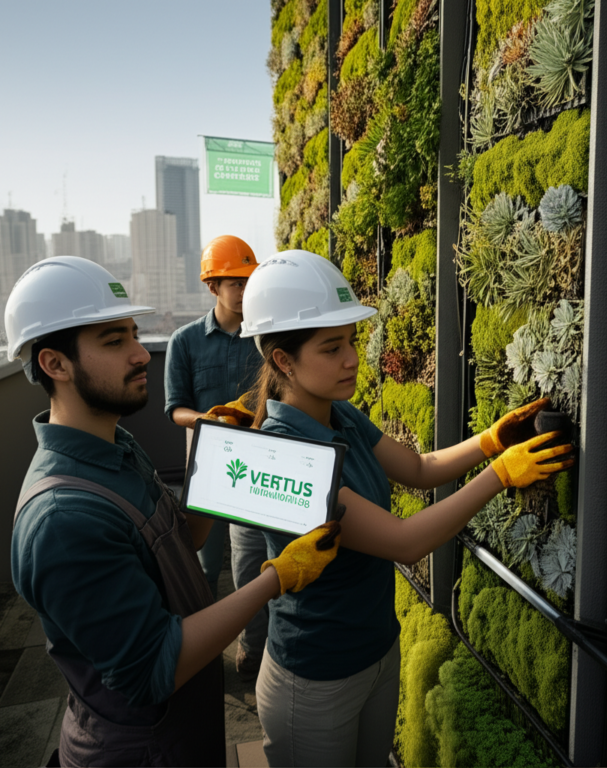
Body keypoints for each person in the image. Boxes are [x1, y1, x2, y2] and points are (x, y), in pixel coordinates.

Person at [225, 250, 575, 767]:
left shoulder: (339, 415)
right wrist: (501, 475)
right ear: (283, 361)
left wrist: (491, 441)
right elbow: (404, 540)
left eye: (351, 341)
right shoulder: (287, 455)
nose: (352, 359)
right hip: (315, 676)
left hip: (377, 652)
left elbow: (418, 468)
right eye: (331, 347)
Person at [5, 256, 341, 768]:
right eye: (114, 341)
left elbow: (184, 540)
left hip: (184, 730)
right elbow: (154, 667)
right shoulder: (63, 519)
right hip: (139, 751)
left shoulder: (116, 445)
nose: (142, 354)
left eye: (134, 335)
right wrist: (277, 576)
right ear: (54, 364)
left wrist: (214, 454)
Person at [164, 234, 268, 679]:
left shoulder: (262, 338)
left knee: (248, 565)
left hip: (250, 469)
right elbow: (175, 409)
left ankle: (251, 649)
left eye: (249, 281)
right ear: (213, 287)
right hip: (206, 467)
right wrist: (208, 420)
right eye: (236, 283)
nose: (244, 291)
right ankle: (200, 654)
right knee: (201, 568)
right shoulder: (184, 341)